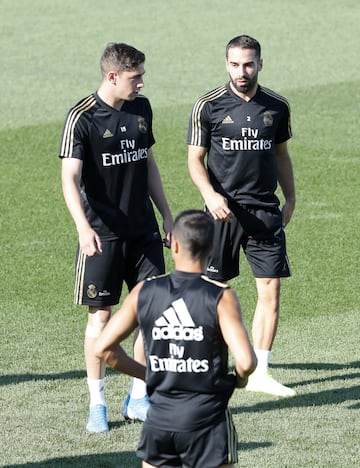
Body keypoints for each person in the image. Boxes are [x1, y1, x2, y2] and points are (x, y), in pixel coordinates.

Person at [59, 42, 173, 432]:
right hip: (101, 235)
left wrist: (167, 215)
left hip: (143, 232)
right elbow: (70, 179)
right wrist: (82, 227)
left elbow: (148, 163)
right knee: (101, 318)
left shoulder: (142, 109)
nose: (141, 83)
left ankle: (139, 398)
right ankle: (97, 403)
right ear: (112, 76)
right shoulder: (82, 117)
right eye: (135, 77)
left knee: (150, 315)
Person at [95, 209, 257, 467]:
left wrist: (147, 374)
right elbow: (246, 361)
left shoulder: (144, 291)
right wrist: (238, 380)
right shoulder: (221, 296)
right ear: (212, 247)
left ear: (175, 245)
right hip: (208, 422)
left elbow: (103, 348)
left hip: (159, 422)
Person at [187, 35, 296, 397]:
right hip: (222, 215)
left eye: (248, 64)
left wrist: (291, 198)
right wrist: (210, 195)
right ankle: (211, 367)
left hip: (265, 211)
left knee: (271, 290)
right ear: (226, 64)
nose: (242, 71)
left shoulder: (277, 106)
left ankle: (260, 373)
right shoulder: (209, 105)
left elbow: (281, 154)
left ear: (260, 64)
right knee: (213, 293)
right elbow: (194, 159)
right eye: (235, 64)